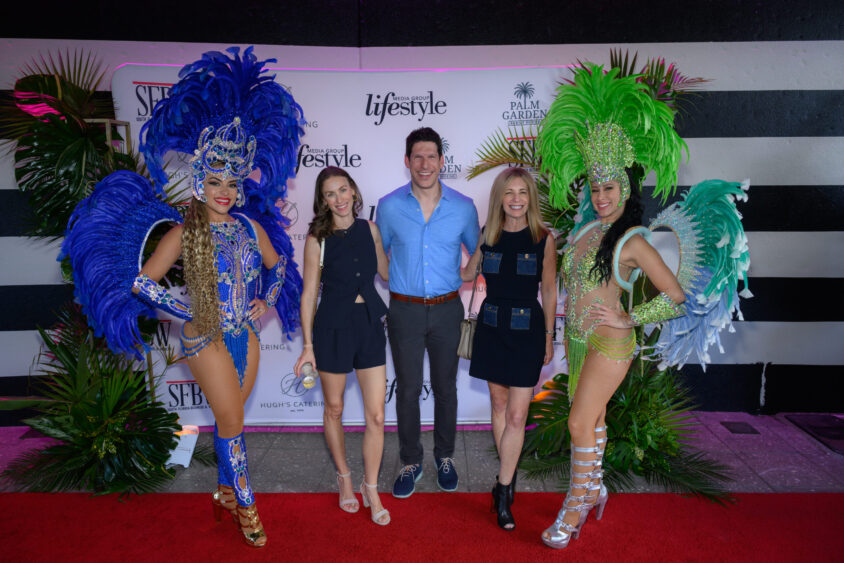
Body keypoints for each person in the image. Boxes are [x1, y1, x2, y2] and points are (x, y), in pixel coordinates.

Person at [60, 48, 305, 548]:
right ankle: (247, 507)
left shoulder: (250, 227)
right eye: (215, 181)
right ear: (200, 181)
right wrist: (190, 309)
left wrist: (269, 301)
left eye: (232, 183)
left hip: (247, 336)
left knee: (226, 419)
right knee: (234, 422)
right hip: (204, 339)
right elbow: (143, 284)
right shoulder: (183, 231)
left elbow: (280, 269)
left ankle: (221, 492)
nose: (225, 191)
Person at [536, 63, 750, 549]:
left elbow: (675, 297)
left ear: (626, 188)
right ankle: (596, 488)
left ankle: (576, 503)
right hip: (578, 338)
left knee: (576, 422)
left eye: (610, 187)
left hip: (612, 342)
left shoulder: (633, 239)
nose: (601, 195)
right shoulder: (586, 231)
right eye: (595, 186)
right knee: (591, 419)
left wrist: (629, 316)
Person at [376, 127, 480, 498]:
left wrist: (465, 276)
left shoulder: (464, 207)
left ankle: (445, 457)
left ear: (441, 161)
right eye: (417, 157)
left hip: (447, 311)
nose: (424, 164)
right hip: (403, 311)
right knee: (406, 390)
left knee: (445, 389)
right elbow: (380, 258)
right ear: (407, 162)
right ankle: (410, 460)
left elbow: (478, 249)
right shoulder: (388, 207)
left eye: (431, 156)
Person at [294, 167, 391, 525]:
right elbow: (308, 295)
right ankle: (344, 478)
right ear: (322, 201)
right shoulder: (316, 239)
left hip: (368, 326)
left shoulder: (372, 230)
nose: (339, 198)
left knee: (377, 415)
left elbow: (385, 272)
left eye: (344, 189)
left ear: (354, 191)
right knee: (334, 408)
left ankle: (371, 486)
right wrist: (307, 345)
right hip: (332, 328)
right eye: (330, 193)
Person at [461, 167, 556, 530]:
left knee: (517, 416)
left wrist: (549, 336)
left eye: (523, 192)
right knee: (499, 407)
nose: (516, 199)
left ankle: (502, 491)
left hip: (527, 330)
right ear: (499, 198)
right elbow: (469, 276)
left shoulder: (544, 238)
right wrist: (473, 249)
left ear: (530, 198)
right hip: (491, 326)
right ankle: (508, 478)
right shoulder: (489, 234)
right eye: (509, 193)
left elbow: (548, 290)